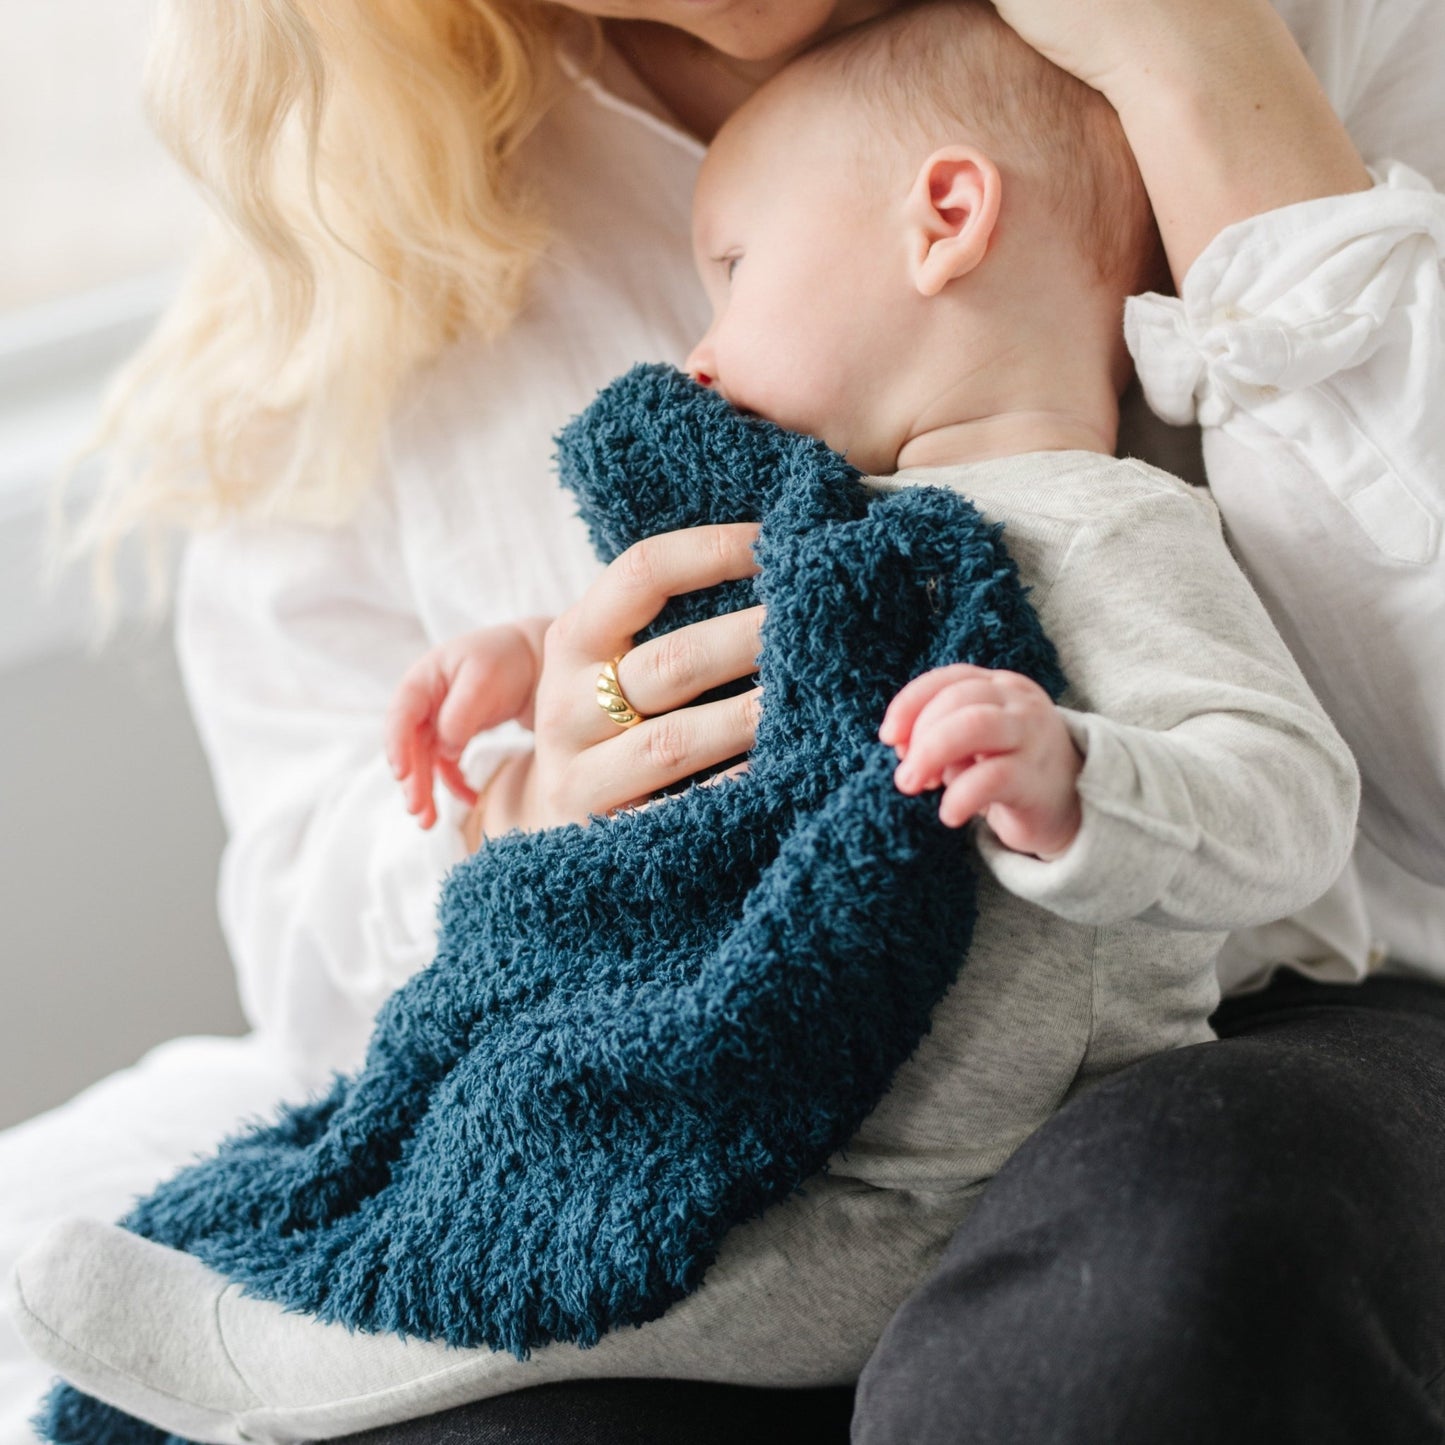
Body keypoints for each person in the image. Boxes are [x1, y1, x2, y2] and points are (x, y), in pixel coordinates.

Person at [0, 0, 1439, 1440]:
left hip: (1184, 1062)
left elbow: (1282, 785)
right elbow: (325, 929)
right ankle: (287, 1302)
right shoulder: (788, 492)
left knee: (1119, 1299)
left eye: (733, 276)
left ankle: (304, 1337)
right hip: (754, 1060)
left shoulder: (1108, 532)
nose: (694, 357)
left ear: (946, 216)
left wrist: (1079, 778)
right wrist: (522, 768)